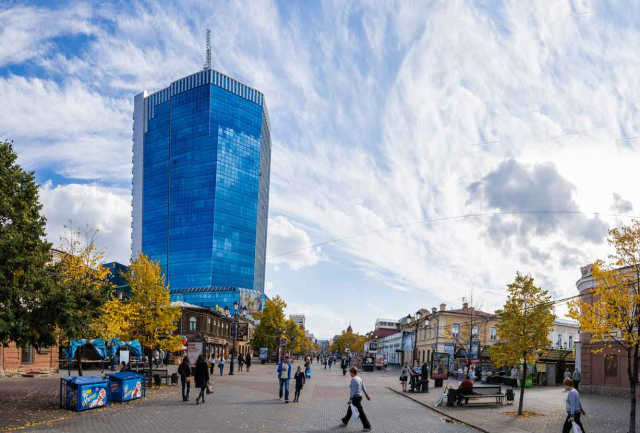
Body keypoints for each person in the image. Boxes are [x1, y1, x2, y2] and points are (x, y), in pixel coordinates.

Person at [341, 367, 372, 431]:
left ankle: (367, 426)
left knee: (361, 412)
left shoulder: (353, 379)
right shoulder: (359, 378)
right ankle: (345, 421)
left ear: (352, 372)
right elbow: (363, 387)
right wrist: (366, 395)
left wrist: (350, 399)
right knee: (350, 410)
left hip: (355, 398)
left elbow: (353, 390)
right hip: (359, 396)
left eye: (350, 373)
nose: (350, 374)